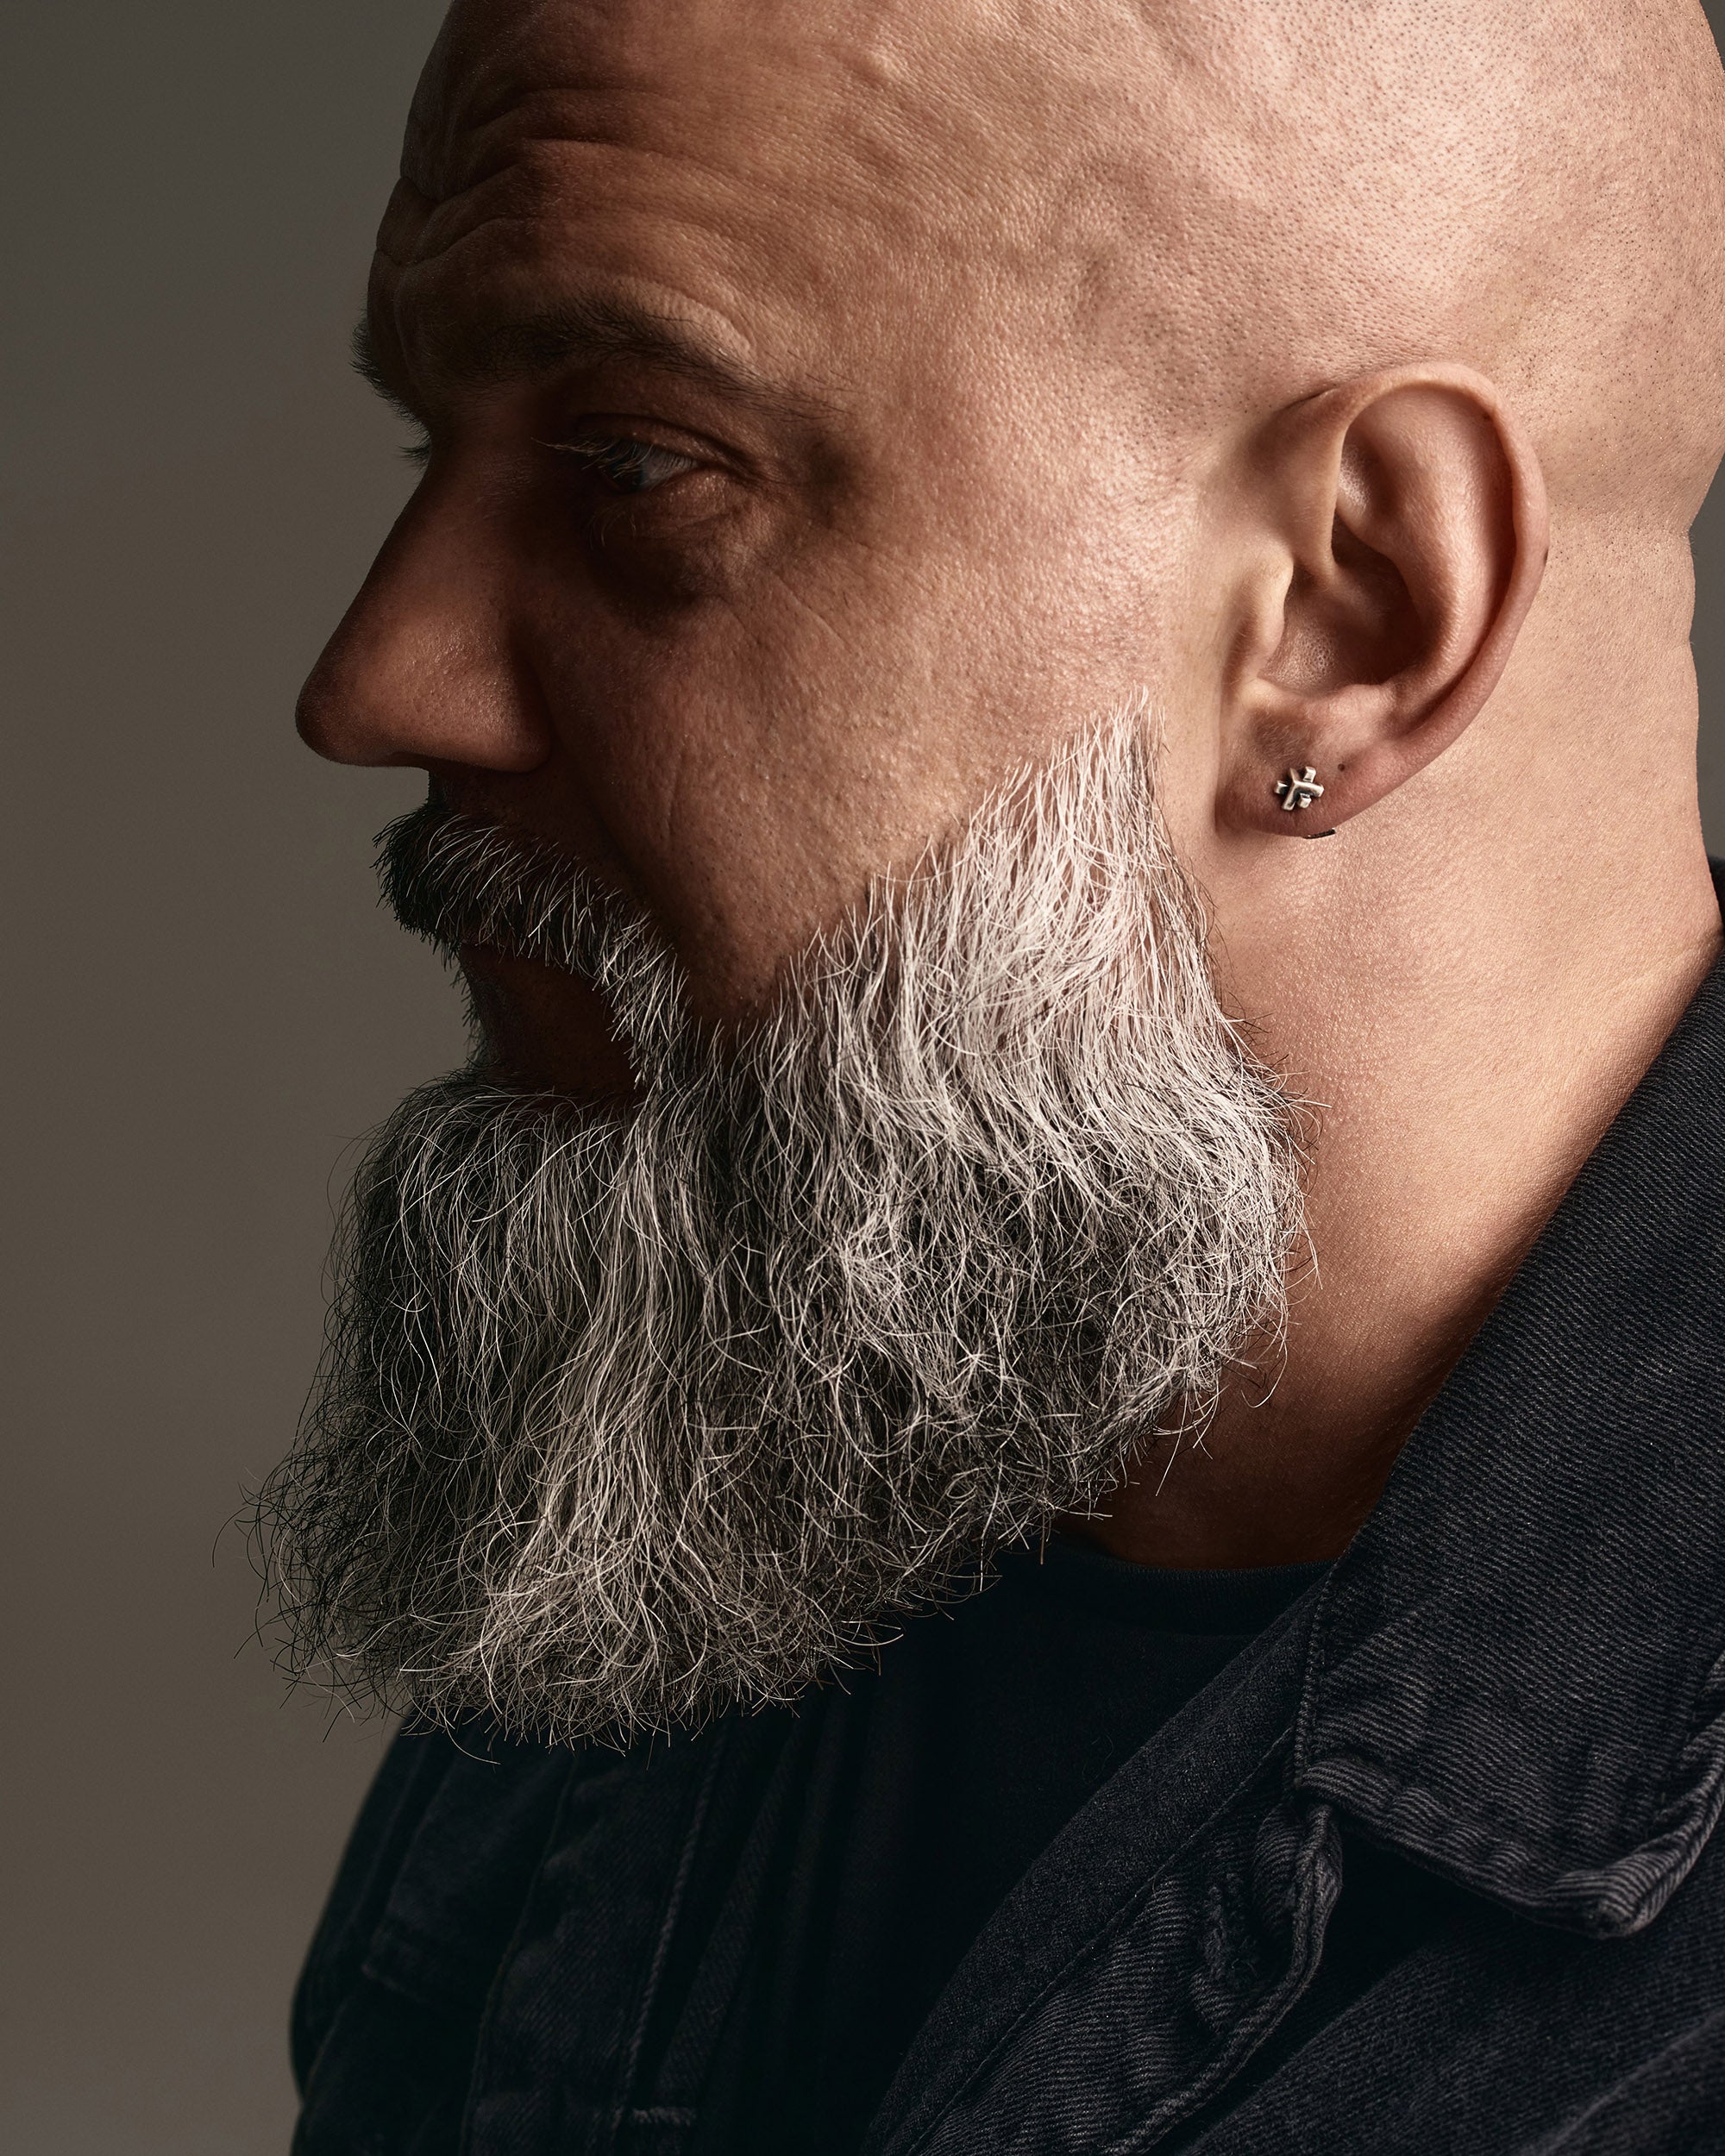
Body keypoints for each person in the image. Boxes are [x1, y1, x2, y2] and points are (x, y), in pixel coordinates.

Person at [264, 0, 1725, 2147]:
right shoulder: (715, 1448)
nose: (375, 678)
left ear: (1348, 617)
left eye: (634, 467)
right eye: (432, 457)